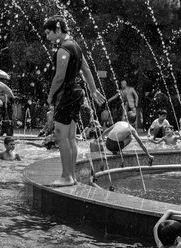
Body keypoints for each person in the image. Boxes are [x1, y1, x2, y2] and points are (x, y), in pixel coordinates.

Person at [43, 15, 105, 186]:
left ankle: (66, 176)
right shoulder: (75, 46)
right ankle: (72, 176)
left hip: (66, 94)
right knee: (71, 137)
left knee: (60, 135)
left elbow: (59, 77)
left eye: (48, 33)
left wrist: (50, 96)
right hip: (77, 93)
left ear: (57, 29)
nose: (47, 37)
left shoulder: (64, 49)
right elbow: (85, 68)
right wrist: (92, 90)